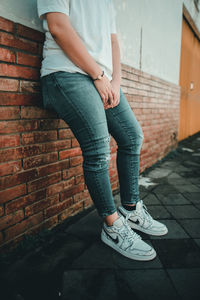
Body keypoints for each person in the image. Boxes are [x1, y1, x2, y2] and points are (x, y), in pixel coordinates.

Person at [37, 0, 168, 261]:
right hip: (66, 73)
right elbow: (58, 26)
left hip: (103, 80)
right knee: (98, 149)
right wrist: (98, 76)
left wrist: (115, 83)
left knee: (132, 137)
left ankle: (130, 209)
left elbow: (113, 41)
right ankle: (113, 226)